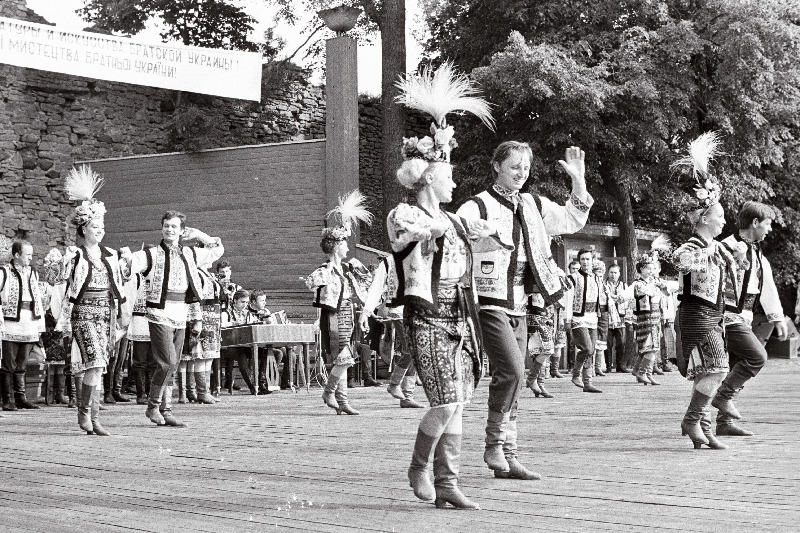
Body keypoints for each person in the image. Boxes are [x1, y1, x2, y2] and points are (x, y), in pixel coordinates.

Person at [393, 63, 510, 509]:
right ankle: (418, 467)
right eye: (448, 177)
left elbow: (489, 240)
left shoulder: (455, 219)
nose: (455, 183)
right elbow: (416, 233)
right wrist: (452, 225)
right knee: (444, 401)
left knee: (458, 402)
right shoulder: (405, 214)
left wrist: (489, 231)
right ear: (428, 178)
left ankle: (448, 484)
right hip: (426, 316)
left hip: (460, 317)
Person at [457, 140, 592, 480]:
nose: (521, 173)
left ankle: (509, 455)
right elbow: (454, 237)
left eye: (526, 167)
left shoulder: (533, 204)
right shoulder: (477, 205)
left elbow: (572, 219)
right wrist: (474, 237)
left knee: (514, 378)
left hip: (520, 302)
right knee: (514, 371)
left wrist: (578, 180)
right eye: (514, 166)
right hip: (487, 300)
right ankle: (493, 445)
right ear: (497, 166)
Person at [672, 132, 745, 450]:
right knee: (717, 368)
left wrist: (735, 257)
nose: (724, 221)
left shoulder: (715, 246)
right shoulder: (694, 244)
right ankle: (693, 420)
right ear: (704, 218)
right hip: (696, 314)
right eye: (720, 216)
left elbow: (733, 270)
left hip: (712, 315)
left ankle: (702, 427)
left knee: (707, 370)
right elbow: (679, 259)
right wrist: (712, 255)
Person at [122, 211, 223, 427]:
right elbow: (129, 265)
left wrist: (199, 234)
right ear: (161, 228)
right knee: (166, 361)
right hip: (159, 312)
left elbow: (217, 250)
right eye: (166, 226)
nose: (169, 229)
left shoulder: (190, 253)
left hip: (181, 313)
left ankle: (166, 411)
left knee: (173, 364)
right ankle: (153, 407)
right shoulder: (151, 254)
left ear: (182, 230)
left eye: (174, 226)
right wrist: (126, 259)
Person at [58, 165, 127, 435]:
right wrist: (59, 262)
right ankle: (85, 413)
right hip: (83, 314)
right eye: (95, 227)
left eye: (102, 227)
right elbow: (57, 279)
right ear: (84, 229)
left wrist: (127, 261)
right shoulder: (75, 255)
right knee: (95, 362)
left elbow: (121, 281)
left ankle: (92, 418)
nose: (100, 230)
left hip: (104, 316)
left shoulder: (110, 254)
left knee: (96, 368)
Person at [713, 201, 787, 436]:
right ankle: (722, 397)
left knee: (734, 366)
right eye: (768, 224)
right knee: (757, 356)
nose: (770, 229)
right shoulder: (725, 247)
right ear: (755, 222)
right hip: (726, 316)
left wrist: (777, 317)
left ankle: (724, 423)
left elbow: (767, 285)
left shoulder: (757, 252)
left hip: (744, 315)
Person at [305, 190, 373, 416]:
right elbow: (312, 284)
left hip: (347, 314)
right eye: (344, 244)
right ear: (336, 247)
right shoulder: (324, 270)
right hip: (333, 316)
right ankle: (329, 392)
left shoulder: (347, 268)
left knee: (345, 358)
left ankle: (342, 400)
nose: (347, 248)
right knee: (343, 358)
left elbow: (366, 283)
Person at [359, 254, 423, 408]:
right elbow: (376, 288)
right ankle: (394, 383)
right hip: (399, 311)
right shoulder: (389, 261)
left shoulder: (423, 257)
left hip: (417, 310)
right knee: (411, 347)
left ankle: (407, 395)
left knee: (415, 350)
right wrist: (366, 312)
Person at [0, 239, 46, 411]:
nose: (31, 258)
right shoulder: (4, 272)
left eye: (31, 255)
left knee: (22, 364)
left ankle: (20, 397)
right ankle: (7, 399)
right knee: (8, 364)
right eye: (27, 255)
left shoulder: (32, 272)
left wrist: (39, 324)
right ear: (16, 254)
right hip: (10, 324)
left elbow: (37, 299)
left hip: (29, 323)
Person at [178, 241, 223, 404]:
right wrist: (196, 319)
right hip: (203, 317)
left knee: (209, 355)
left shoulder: (207, 274)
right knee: (200, 355)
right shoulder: (195, 273)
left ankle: (205, 390)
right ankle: (201, 392)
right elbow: (194, 299)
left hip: (213, 318)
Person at [566, 249, 604, 393]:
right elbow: (568, 299)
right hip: (578, 316)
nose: (585, 262)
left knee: (591, 350)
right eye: (583, 259)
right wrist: (567, 319)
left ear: (592, 261)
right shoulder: (573, 277)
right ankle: (576, 373)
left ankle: (588, 382)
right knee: (587, 348)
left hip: (592, 316)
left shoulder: (597, 278)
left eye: (588, 259)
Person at [39, 249, 70, 406]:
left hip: (61, 322)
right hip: (48, 325)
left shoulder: (63, 286)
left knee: (62, 359)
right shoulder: (44, 287)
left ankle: (60, 392)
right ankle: (49, 392)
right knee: (51, 359)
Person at [631, 253, 666, 386]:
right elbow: (648, 293)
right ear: (641, 269)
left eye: (653, 268)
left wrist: (661, 286)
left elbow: (665, 293)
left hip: (655, 317)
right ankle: (642, 372)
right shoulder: (638, 284)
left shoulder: (653, 283)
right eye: (649, 268)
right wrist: (656, 284)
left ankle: (644, 372)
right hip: (646, 318)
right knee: (650, 347)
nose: (651, 271)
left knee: (651, 347)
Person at [220, 289, 259, 395]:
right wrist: (233, 323)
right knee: (240, 354)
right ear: (235, 301)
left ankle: (261, 382)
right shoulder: (226, 313)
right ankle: (253, 386)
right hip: (228, 347)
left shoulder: (248, 314)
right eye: (242, 302)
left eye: (246, 302)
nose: (245, 305)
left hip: (245, 345)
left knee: (264, 352)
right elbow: (221, 326)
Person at [604, 263, 628, 373]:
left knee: (621, 343)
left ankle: (620, 365)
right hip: (607, 317)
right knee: (607, 343)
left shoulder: (624, 286)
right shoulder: (603, 284)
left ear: (619, 274)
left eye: (615, 272)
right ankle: (608, 365)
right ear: (608, 273)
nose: (613, 275)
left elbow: (628, 300)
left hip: (620, 317)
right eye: (611, 272)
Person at [593, 259, 609, 376]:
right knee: (593, 339)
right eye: (597, 272)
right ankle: (590, 367)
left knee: (602, 339)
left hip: (604, 312)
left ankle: (598, 367)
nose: (599, 274)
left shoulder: (605, 285)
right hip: (594, 311)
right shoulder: (591, 284)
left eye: (601, 272)